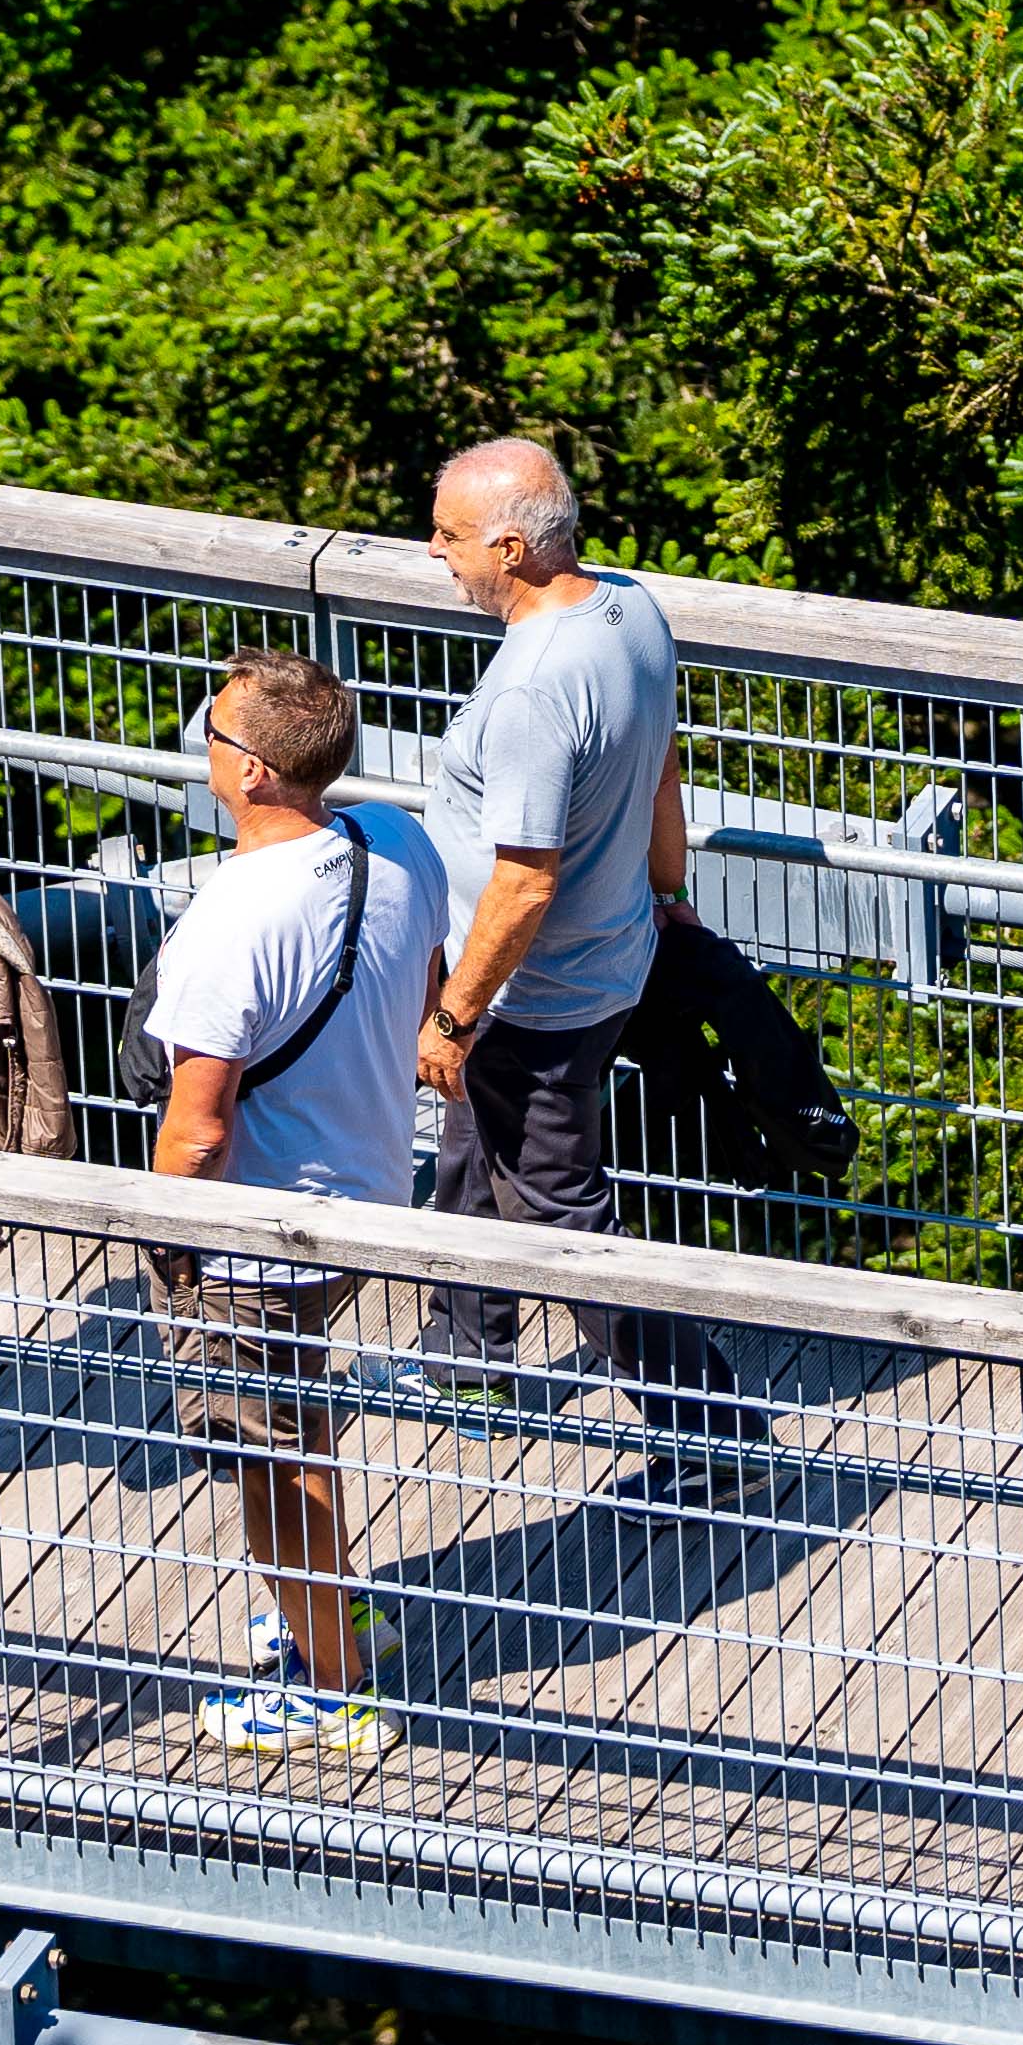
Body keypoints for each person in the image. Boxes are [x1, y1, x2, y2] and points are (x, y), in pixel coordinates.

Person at [143, 651, 447, 1754]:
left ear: (257, 773)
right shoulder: (399, 843)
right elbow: (428, 987)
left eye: (214, 737)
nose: (204, 749)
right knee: (298, 1421)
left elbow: (199, 1126)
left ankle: (333, 1688)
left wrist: (164, 1241)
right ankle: (327, 1611)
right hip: (366, 1187)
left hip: (257, 1231)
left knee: (274, 1460)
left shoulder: (230, 923)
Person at [410, 438, 731, 1475]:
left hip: (533, 998)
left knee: (564, 1220)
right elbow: (661, 768)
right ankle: (467, 1359)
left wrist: (455, 1015)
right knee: (473, 1152)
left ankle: (716, 1432)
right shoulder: (629, 608)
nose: (435, 553)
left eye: (452, 537)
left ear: (509, 546)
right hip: (613, 946)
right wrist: (671, 894)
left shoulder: (533, 691)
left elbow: (523, 882)